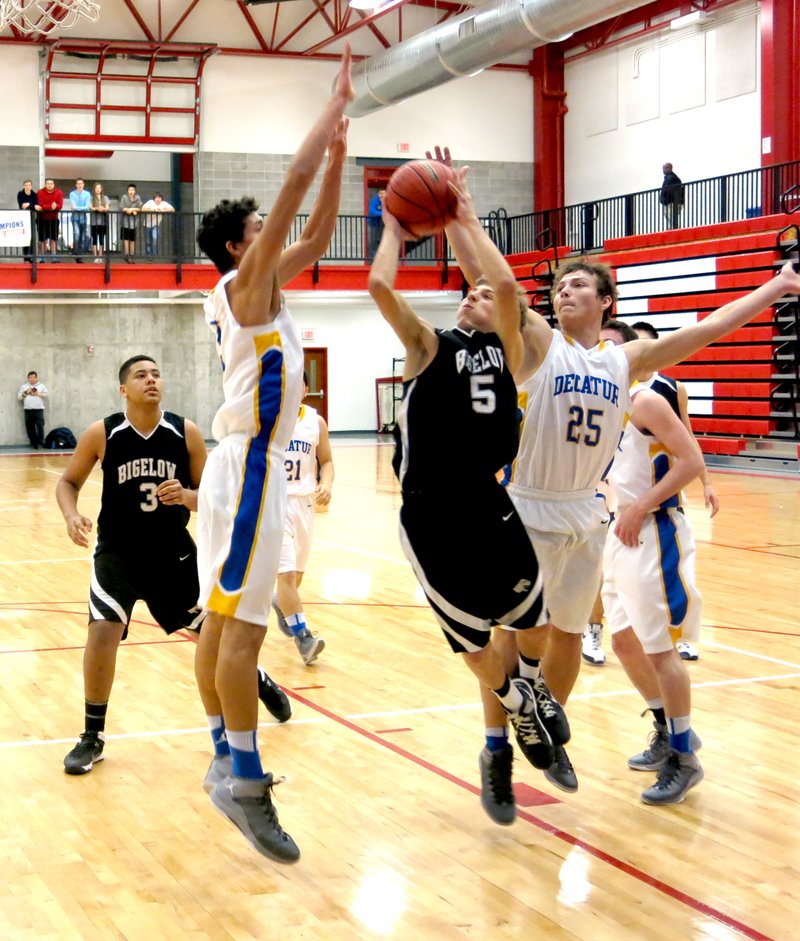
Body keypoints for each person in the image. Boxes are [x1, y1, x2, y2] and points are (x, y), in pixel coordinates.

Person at [463, 247, 800, 808]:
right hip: (527, 506)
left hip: (590, 515)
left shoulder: (626, 368)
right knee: (519, 634)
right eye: (559, 285)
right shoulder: (542, 346)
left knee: (570, 634)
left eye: (577, 285)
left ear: (606, 303)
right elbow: (500, 289)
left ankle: (553, 728)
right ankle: (496, 747)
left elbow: (712, 327)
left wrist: (777, 287)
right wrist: (458, 215)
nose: (564, 291)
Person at [369, 167, 568, 830]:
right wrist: (395, 231)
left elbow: (507, 285)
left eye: (482, 294)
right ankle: (515, 699)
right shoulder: (428, 347)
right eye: (468, 292)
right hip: (431, 513)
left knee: (534, 618)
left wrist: (462, 214)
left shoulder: (510, 350)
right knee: (474, 639)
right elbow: (377, 285)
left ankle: (531, 686)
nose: (475, 296)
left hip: (490, 502)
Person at [193, 47, 354, 865]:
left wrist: (341, 154)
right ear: (236, 246)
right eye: (259, 233)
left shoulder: (256, 291)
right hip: (252, 467)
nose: (274, 239)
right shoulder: (246, 288)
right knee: (244, 630)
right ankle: (244, 781)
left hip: (238, 464)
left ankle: (224, 758)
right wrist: (326, 116)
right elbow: (291, 195)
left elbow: (319, 225)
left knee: (221, 621)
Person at [55, 355, 292, 776]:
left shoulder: (185, 433)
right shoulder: (103, 432)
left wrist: (185, 495)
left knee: (215, 638)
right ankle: (92, 736)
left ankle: (257, 681)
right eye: (140, 375)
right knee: (103, 629)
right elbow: (67, 482)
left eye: (156, 373)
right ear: (123, 389)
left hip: (175, 555)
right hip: (117, 554)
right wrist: (72, 515)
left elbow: (213, 499)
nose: (151, 380)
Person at [598, 317, 705, 804]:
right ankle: (666, 728)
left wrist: (640, 505)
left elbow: (691, 461)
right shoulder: (607, 407)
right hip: (619, 530)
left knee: (661, 651)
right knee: (622, 642)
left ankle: (685, 757)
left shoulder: (646, 400)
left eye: (612, 350)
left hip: (654, 527)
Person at [271, 371, 333, 665]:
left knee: (295, 576)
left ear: (306, 388)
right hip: (274, 504)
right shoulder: (267, 419)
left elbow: (327, 461)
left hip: (304, 505)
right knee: (284, 574)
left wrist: (327, 484)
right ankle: (303, 637)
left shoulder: (315, 421)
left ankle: (282, 604)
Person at [17, 370, 48, 449]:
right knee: (30, 428)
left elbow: (46, 395)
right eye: (30, 377)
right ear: (28, 378)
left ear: (36, 378)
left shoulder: (41, 386)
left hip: (39, 410)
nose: (32, 379)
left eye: (34, 377)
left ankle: (41, 441)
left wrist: (37, 393)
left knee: (40, 426)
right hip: (28, 410)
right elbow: (19, 397)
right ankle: (34, 443)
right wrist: (26, 392)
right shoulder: (24, 386)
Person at [35, 178, 64, 262]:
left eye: (51, 183)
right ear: (45, 184)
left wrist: (55, 206)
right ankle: (43, 258)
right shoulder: (40, 192)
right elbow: (40, 204)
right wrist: (51, 207)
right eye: (48, 183)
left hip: (54, 219)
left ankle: (54, 257)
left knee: (53, 239)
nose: (49, 185)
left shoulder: (59, 192)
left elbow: (60, 205)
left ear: (54, 185)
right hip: (42, 219)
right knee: (42, 239)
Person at [141, 192, 175, 257]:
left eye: (159, 198)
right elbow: (143, 209)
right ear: (154, 199)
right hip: (146, 225)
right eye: (156, 198)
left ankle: (154, 254)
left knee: (154, 238)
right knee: (148, 241)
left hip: (155, 225)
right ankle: (149, 255)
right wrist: (153, 210)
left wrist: (162, 210)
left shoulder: (163, 204)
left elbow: (172, 209)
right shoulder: (150, 202)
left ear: (161, 199)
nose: (158, 199)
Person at [69, 178, 92, 260]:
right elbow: (74, 205)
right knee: (77, 234)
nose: (79, 185)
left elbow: (87, 207)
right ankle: (76, 251)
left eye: (81, 183)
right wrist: (83, 208)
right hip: (75, 218)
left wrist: (77, 208)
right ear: (76, 185)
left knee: (82, 236)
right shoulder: (72, 194)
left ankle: (79, 254)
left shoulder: (87, 194)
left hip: (83, 218)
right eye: (78, 183)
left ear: (83, 184)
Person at [119, 184, 142, 261]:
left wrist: (132, 209)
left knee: (132, 239)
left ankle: (132, 255)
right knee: (126, 239)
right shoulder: (124, 197)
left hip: (134, 222)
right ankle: (127, 254)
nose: (131, 191)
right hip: (125, 221)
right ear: (127, 191)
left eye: (132, 190)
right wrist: (127, 210)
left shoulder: (137, 198)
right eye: (129, 190)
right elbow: (122, 207)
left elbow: (140, 208)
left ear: (135, 191)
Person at [16, 179, 37, 261]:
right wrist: (31, 205)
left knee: (32, 237)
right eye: (26, 185)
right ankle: (26, 258)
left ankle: (31, 256)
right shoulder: (20, 194)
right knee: (25, 237)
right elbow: (21, 205)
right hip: (23, 217)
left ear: (31, 186)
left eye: (29, 185)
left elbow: (36, 204)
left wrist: (29, 204)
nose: (28, 187)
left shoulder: (34, 194)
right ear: (23, 186)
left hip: (32, 217)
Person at [90, 182, 110, 263]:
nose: (98, 189)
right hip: (94, 222)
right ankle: (95, 257)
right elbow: (91, 208)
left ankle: (100, 256)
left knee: (101, 239)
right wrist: (97, 208)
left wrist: (103, 209)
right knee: (94, 239)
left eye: (99, 188)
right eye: (96, 188)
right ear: (94, 190)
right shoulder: (92, 198)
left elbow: (107, 208)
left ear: (101, 189)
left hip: (103, 222)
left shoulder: (105, 198)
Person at [660, 162, 684, 230]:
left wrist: (665, 200)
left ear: (670, 168)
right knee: (669, 215)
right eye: (663, 168)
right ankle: (673, 229)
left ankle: (675, 229)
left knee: (671, 216)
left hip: (671, 202)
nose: (663, 170)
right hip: (672, 202)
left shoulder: (671, 178)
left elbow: (669, 190)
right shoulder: (672, 178)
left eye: (665, 168)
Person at [366, 187, 385, 262]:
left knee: (380, 242)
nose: (381, 195)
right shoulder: (375, 201)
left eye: (383, 194)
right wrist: (383, 213)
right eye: (380, 193)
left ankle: (380, 260)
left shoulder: (384, 201)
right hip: (373, 223)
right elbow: (372, 212)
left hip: (381, 225)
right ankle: (372, 260)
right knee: (373, 241)